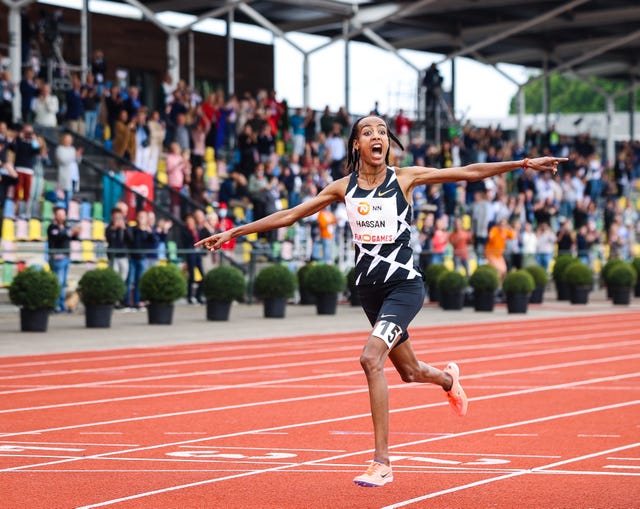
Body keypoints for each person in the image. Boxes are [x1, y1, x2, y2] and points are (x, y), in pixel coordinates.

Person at [195, 115, 565, 488]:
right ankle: (449, 378)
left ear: (388, 142)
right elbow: (291, 215)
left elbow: (468, 171)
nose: (377, 136)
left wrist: (521, 164)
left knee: (371, 358)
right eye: (368, 132)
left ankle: (382, 462)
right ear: (356, 144)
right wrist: (234, 232)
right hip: (369, 291)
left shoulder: (405, 178)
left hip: (404, 286)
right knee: (409, 371)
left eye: (383, 132)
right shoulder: (343, 188)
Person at [47, 207, 80, 313]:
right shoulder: (52, 227)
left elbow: (72, 238)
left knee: (63, 282)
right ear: (55, 215)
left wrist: (76, 233)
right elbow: (59, 236)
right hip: (57, 258)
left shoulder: (66, 226)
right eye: (59, 214)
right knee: (58, 282)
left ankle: (62, 304)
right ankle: (56, 304)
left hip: (66, 257)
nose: (62, 216)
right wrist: (70, 232)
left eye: (63, 214)